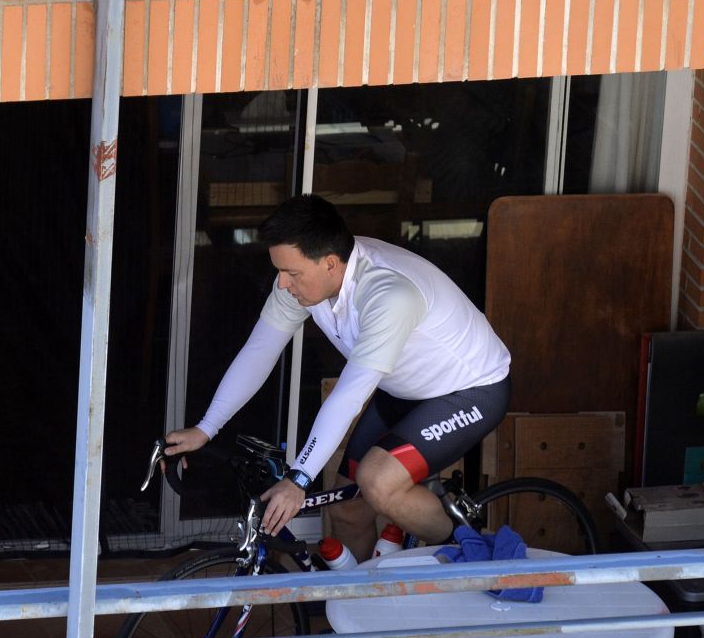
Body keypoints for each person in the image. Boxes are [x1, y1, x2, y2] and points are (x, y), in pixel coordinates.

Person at [164, 194, 511, 557]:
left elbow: (348, 396)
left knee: (377, 481)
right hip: (404, 390)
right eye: (279, 271)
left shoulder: (388, 295)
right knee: (345, 510)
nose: (281, 285)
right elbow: (258, 353)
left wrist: (299, 478)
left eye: (292, 273)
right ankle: (365, 607)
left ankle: (470, 551)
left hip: (471, 389)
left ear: (329, 263)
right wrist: (207, 427)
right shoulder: (303, 283)